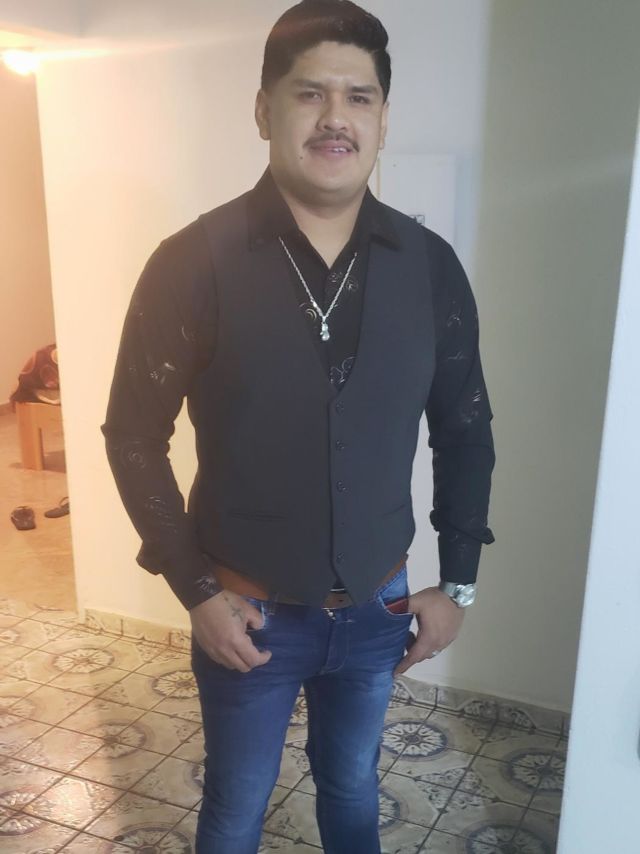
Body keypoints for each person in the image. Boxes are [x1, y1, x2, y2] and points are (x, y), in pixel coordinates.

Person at [100, 1, 496, 851]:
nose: (335, 118)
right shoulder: (191, 263)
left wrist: (458, 583)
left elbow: (465, 427)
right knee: (236, 808)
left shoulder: (429, 267)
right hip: (243, 614)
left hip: (380, 608)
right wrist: (195, 590)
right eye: (310, 93)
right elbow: (132, 434)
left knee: (352, 789)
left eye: (359, 97)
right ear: (264, 110)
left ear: (382, 119)